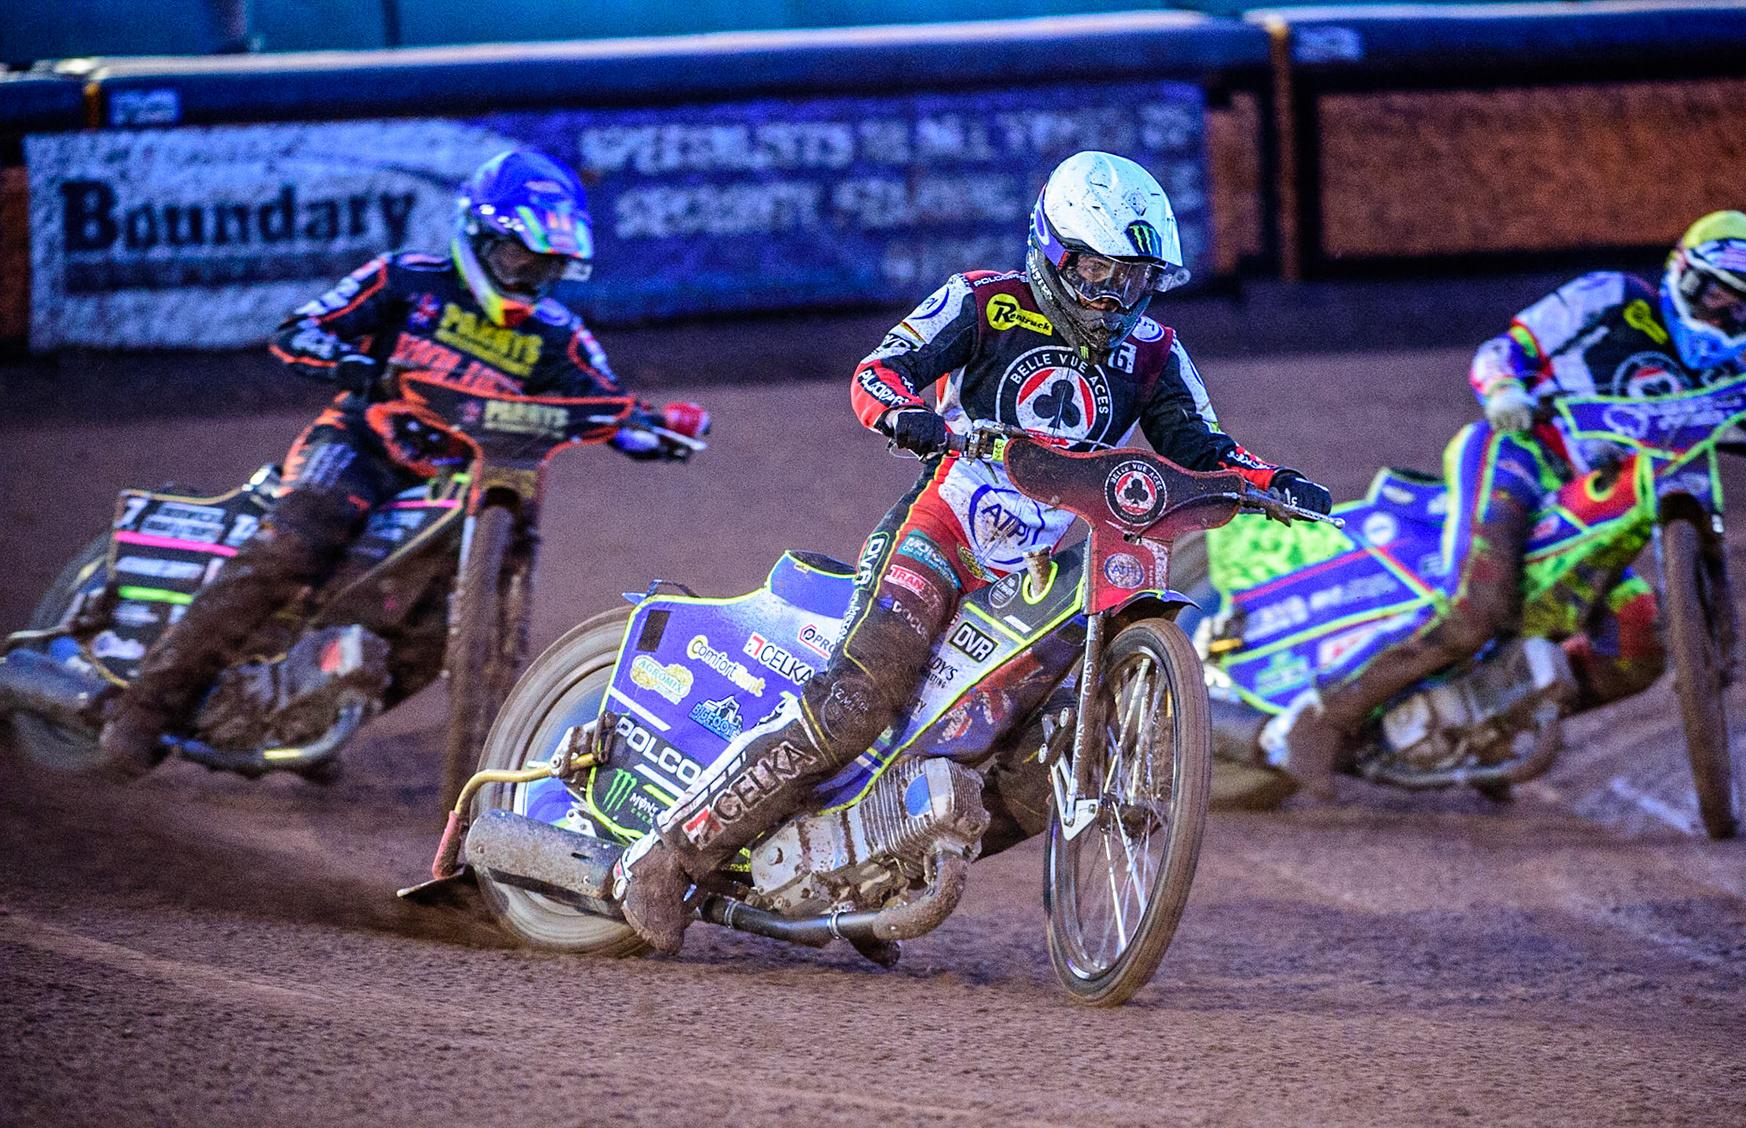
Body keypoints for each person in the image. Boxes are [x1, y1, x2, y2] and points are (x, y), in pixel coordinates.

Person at [616, 150, 1332, 954]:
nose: (1113, 296)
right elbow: (879, 371)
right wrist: (905, 416)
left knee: (1038, 767)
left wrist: (1272, 481)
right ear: (1053, 252)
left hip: (1040, 573)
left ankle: (880, 871)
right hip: (942, 535)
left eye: (1132, 280)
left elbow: (1201, 446)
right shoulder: (985, 301)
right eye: (1097, 273)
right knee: (860, 699)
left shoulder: (1155, 352)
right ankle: (671, 852)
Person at [99, 149, 709, 776]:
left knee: (433, 632)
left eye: (545, 267)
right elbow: (298, 331)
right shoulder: (402, 279)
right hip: (360, 447)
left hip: (462, 483)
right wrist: (354, 365)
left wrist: (658, 429)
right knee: (293, 550)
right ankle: (144, 708)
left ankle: (310, 710)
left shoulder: (560, 336)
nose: (528, 279)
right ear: (477, 238)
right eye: (517, 259)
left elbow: (610, 406)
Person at [1278, 210, 1746, 800]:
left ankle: (1492, 722)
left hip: (1593, 506)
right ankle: (1323, 719)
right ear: (1682, 273)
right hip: (1521, 455)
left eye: (1740, 308)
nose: (1719, 313)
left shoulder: (1724, 383)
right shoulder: (1611, 297)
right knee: (1476, 604)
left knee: (1640, 641)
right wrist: (1505, 391)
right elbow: (1506, 349)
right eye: (1713, 293)